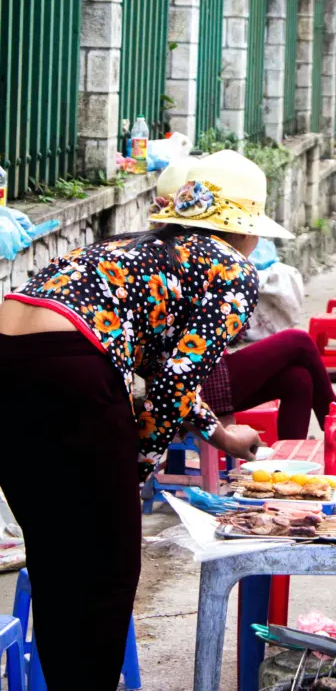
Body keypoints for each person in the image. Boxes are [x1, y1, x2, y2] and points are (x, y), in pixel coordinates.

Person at [0, 150, 296, 690]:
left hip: (8, 361)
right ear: (245, 231)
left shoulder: (132, 250)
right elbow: (171, 386)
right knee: (108, 572)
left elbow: (162, 368)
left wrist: (221, 434)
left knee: (56, 560)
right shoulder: (232, 269)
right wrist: (140, 462)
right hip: (72, 374)